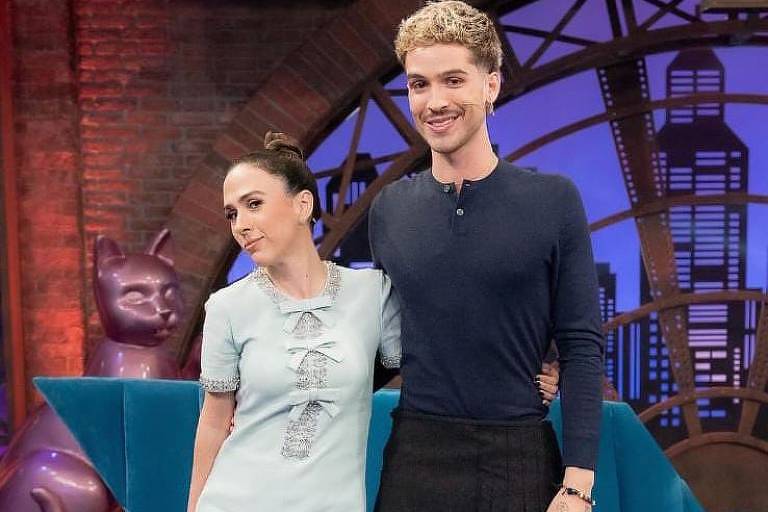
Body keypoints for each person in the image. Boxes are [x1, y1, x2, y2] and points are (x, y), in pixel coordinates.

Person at [186, 132, 560, 512]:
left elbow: (441, 345)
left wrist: (529, 368)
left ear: (302, 205)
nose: (241, 225)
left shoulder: (370, 292)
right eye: (232, 213)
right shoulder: (226, 307)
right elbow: (214, 422)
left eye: (254, 204)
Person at [369, 2, 605, 512]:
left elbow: (582, 347)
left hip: (518, 457)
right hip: (414, 461)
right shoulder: (389, 209)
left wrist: (578, 485)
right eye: (418, 84)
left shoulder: (554, 202)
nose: (434, 101)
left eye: (453, 80)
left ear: (490, 85)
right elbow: (380, 349)